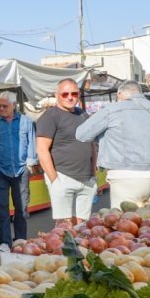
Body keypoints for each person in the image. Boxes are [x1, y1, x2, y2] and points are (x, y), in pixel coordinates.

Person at [75, 81, 150, 210]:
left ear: (119, 94)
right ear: (140, 93)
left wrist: (102, 137)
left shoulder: (111, 110)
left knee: (127, 223)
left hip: (125, 176)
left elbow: (81, 134)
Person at [36, 78, 98, 225]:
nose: (70, 97)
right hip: (63, 176)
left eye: (74, 93)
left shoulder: (83, 115)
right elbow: (42, 149)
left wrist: (93, 174)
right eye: (65, 94)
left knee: (83, 226)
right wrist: (54, 180)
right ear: (57, 95)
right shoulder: (50, 116)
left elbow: (92, 145)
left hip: (86, 179)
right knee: (64, 226)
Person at [0, 91, 37, 250]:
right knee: (2, 208)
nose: (1, 108)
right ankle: (5, 242)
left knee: (21, 207)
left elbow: (32, 143)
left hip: (21, 170)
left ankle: (20, 241)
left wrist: (30, 163)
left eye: (4, 106)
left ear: (14, 105)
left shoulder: (26, 122)